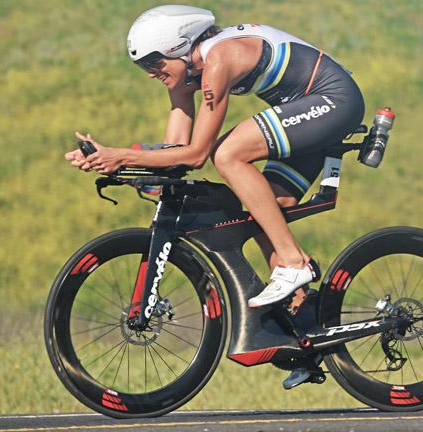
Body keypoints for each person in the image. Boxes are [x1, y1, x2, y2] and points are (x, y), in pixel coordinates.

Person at [65, 5, 365, 385]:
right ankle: (304, 323)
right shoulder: (187, 74)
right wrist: (113, 162)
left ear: (178, 46)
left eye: (155, 62)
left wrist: (122, 155)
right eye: (143, 67)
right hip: (305, 111)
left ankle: (293, 262)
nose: (152, 72)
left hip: (333, 101)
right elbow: (174, 152)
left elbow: (196, 154)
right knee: (265, 207)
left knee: (228, 154)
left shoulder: (219, 59)